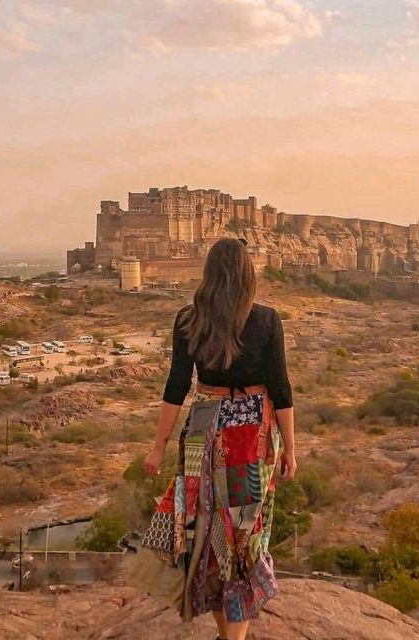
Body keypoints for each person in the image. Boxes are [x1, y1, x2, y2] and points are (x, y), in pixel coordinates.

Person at [144, 238, 296, 640]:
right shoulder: (266, 320)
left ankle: (227, 634)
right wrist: (292, 449)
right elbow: (281, 390)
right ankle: (235, 637)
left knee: (210, 537)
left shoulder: (188, 320)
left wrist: (158, 445)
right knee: (244, 536)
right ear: (248, 275)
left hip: (203, 435)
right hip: (251, 439)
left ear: (208, 274)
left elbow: (176, 387)